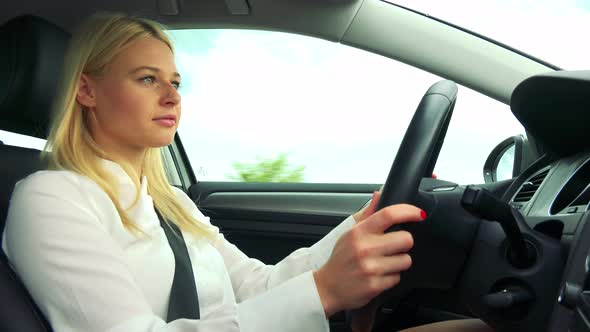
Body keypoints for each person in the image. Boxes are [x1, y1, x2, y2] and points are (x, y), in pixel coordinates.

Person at [1, 13, 492, 332]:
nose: (172, 97)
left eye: (175, 82)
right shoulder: (50, 198)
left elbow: (259, 286)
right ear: (87, 91)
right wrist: (322, 292)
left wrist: (357, 226)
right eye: (147, 79)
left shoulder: (170, 200)